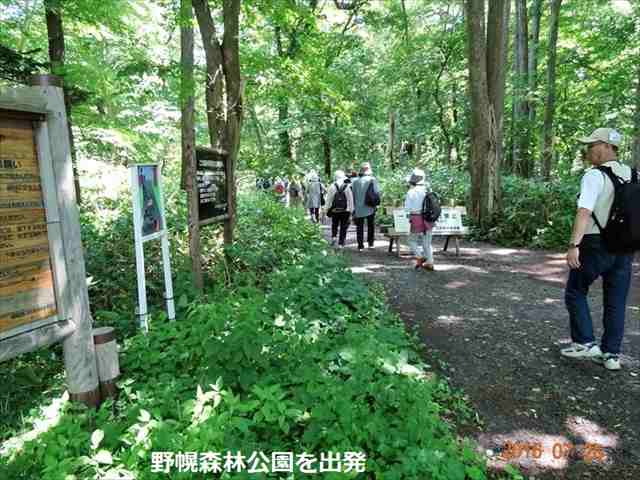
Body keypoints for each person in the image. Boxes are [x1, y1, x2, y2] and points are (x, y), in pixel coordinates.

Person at [561, 127, 635, 371]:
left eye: (592, 145)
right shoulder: (634, 175)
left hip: (595, 243)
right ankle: (611, 354)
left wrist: (574, 245)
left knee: (575, 290)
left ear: (605, 146)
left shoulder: (594, 175)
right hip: (625, 246)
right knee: (616, 300)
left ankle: (584, 343)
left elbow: (584, 212)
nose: (588, 150)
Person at [404, 168, 435, 270]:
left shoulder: (411, 192)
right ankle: (430, 263)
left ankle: (420, 256)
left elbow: (407, 208)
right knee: (427, 243)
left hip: (416, 218)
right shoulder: (428, 190)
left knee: (411, 240)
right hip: (429, 219)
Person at [351, 162, 380, 251]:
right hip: (370, 206)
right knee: (371, 225)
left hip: (358, 207)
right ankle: (371, 243)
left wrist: (353, 207)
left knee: (359, 226)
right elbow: (377, 193)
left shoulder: (355, 181)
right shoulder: (373, 180)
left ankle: (360, 245)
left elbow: (353, 195)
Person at [325, 170, 354, 249]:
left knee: (334, 224)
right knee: (343, 226)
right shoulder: (347, 186)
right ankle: (341, 243)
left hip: (335, 210)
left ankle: (334, 237)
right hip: (345, 210)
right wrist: (351, 211)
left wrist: (326, 209)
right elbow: (350, 200)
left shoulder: (332, 186)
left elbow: (329, 199)